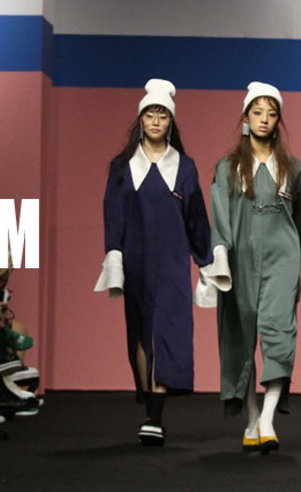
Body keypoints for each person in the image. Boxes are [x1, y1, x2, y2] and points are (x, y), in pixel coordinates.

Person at [95, 79, 213, 446]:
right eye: (150, 114)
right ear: (141, 119)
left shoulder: (185, 167)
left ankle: (155, 417)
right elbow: (113, 215)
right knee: (141, 334)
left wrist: (206, 262)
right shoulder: (122, 166)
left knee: (169, 332)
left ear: (171, 121)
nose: (156, 121)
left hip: (173, 264)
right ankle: (150, 408)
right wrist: (114, 256)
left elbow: (196, 218)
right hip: (136, 262)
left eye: (163, 115)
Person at [202, 81, 301, 454]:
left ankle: (268, 420)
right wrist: (220, 258)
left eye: (271, 113)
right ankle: (251, 417)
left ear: (279, 120)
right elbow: (220, 216)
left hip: (282, 259)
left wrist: (296, 269)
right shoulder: (229, 166)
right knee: (240, 338)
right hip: (239, 260)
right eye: (257, 112)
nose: (264, 119)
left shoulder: (292, 168)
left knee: (280, 335)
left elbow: (297, 220)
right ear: (246, 117)